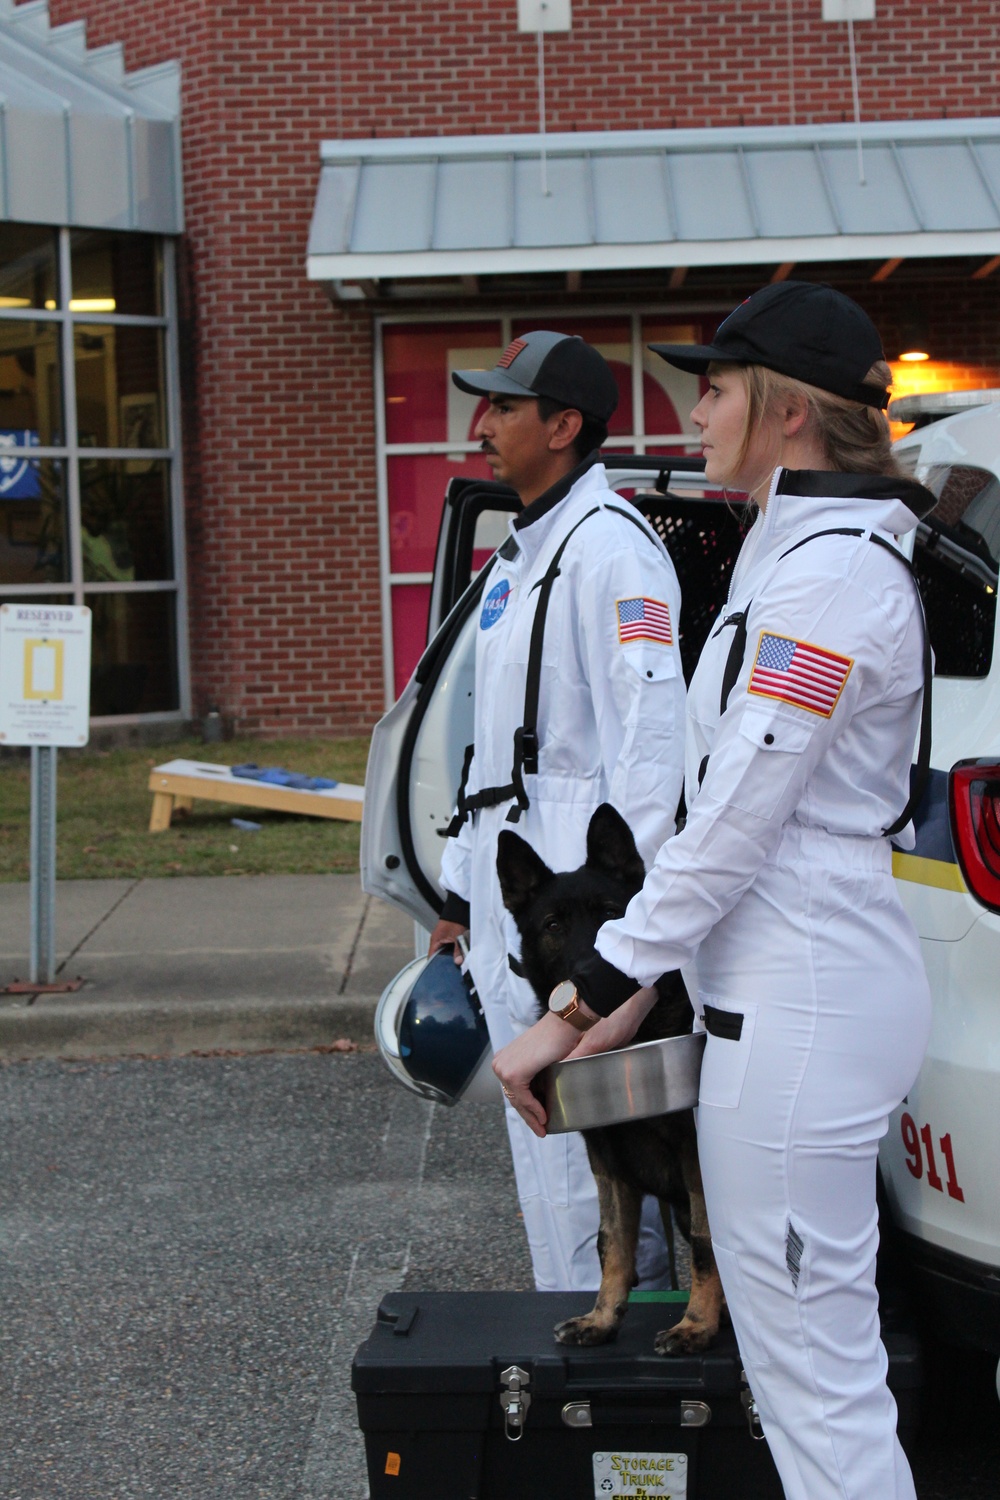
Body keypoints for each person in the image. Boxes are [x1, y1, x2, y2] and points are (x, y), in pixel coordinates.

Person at [493, 284, 935, 1500]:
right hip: (775, 998)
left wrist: (581, 998)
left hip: (801, 1011)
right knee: (801, 1380)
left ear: (788, 412)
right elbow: (724, 821)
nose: (694, 409)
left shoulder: (830, 579)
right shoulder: (792, 551)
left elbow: (736, 814)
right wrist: (632, 1004)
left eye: (718, 387)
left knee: (816, 1384)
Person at [428, 330, 687, 1292]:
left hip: (582, 916)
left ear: (564, 425)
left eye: (504, 406)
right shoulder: (517, 558)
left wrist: (630, 941)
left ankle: (631, 1391)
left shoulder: (614, 553)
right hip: (517, 902)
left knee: (611, 1159)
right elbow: (483, 748)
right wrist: (457, 895)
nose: (482, 424)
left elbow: (653, 747)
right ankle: (576, 1341)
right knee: (545, 1151)